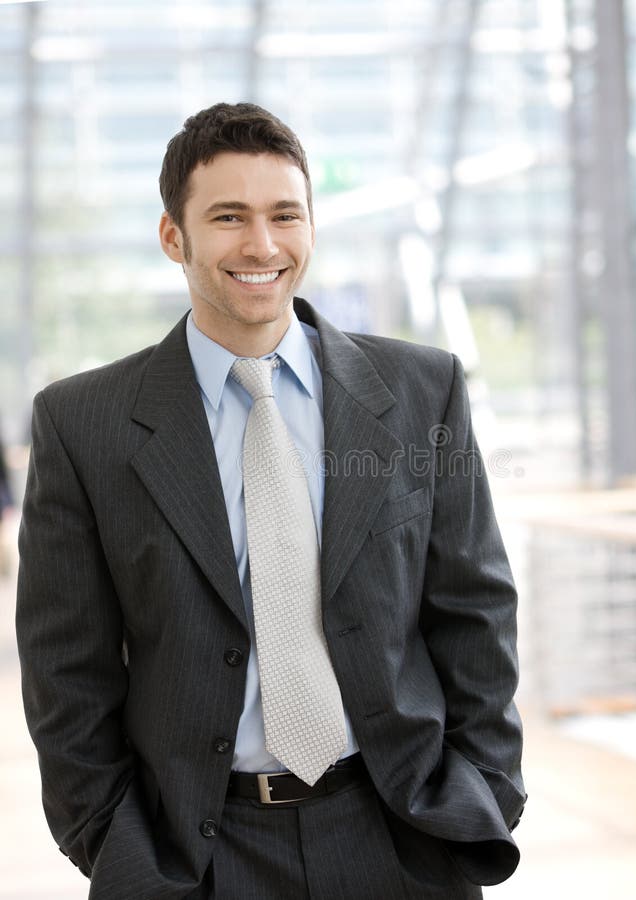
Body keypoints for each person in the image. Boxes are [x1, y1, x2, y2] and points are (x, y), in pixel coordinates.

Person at [16, 102, 525, 900]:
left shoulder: (422, 391)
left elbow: (475, 609)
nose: (262, 245)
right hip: (198, 856)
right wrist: (112, 842)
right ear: (172, 238)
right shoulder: (84, 425)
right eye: (228, 217)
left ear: (311, 226)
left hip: (400, 836)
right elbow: (65, 669)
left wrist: (484, 790)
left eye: (285, 215)